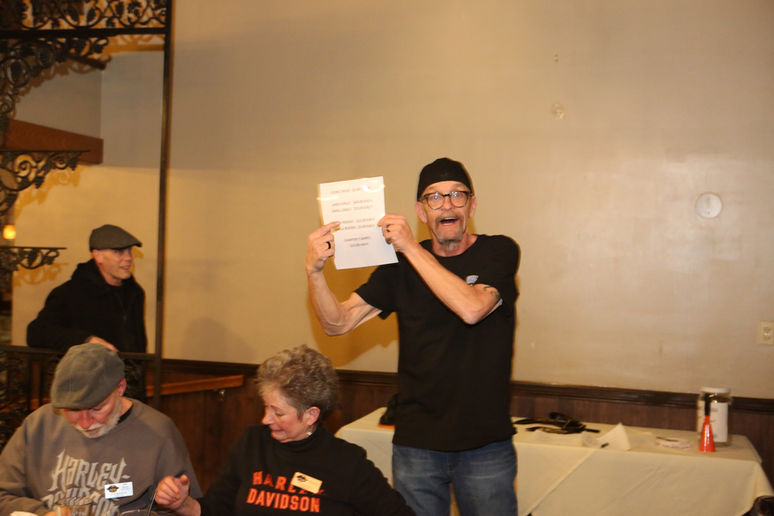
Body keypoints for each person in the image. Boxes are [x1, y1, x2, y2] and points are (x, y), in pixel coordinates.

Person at [305, 157, 520, 516]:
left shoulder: (498, 251)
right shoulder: (400, 267)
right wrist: (314, 273)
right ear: (421, 212)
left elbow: (472, 309)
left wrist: (410, 248)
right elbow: (337, 323)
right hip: (416, 446)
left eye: (457, 195)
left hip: (484, 444)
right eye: (434, 197)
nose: (447, 205)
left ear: (472, 205)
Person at [154, 345, 414, 516]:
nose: (265, 419)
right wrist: (183, 504)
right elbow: (214, 510)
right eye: (266, 407)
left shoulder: (346, 462)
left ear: (311, 415)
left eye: (278, 413)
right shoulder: (253, 444)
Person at [0, 342, 202, 515]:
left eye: (97, 409)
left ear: (120, 388)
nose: (85, 424)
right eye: (72, 411)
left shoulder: (158, 432)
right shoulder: (38, 425)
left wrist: (177, 502)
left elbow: (186, 508)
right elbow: (3, 495)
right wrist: (44, 514)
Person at [27, 223, 147, 353]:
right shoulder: (70, 293)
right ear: (98, 256)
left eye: (130, 251)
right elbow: (36, 332)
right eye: (118, 252)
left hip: (128, 366)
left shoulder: (135, 292)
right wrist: (87, 340)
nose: (129, 258)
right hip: (90, 366)